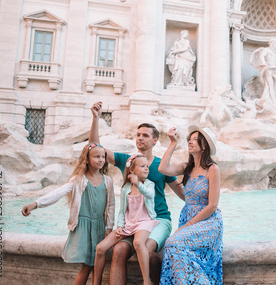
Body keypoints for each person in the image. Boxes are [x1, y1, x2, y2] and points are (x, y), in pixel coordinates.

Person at [89, 101, 184, 285]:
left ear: (155, 140)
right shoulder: (127, 161)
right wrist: (96, 118)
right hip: (132, 222)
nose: (140, 138)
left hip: (159, 220)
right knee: (118, 251)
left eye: (145, 135)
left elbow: (180, 191)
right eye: (138, 135)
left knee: (148, 250)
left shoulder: (160, 165)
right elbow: (94, 149)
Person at [21, 143, 115, 285]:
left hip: (100, 227)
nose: (101, 159)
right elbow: (57, 193)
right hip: (83, 228)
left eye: (103, 156)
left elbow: (111, 206)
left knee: (96, 264)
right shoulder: (78, 180)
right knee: (88, 265)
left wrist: (109, 227)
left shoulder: (108, 181)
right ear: (87, 159)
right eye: (96, 156)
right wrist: (36, 204)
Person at [158, 126, 223, 284]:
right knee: (174, 246)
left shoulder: (212, 169)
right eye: (190, 139)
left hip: (208, 222)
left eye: (195, 139)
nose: (190, 141)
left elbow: (212, 205)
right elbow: (162, 168)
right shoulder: (186, 167)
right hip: (188, 219)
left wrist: (187, 226)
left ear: (204, 145)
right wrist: (173, 142)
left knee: (173, 243)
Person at [94, 154, 159, 285]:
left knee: (139, 242)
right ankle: (96, 282)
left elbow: (150, 194)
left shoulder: (149, 184)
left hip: (144, 222)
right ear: (132, 170)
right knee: (100, 248)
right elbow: (122, 211)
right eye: (142, 166)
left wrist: (138, 184)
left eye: (147, 166)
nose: (147, 169)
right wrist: (119, 226)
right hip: (129, 224)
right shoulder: (125, 189)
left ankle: (147, 281)